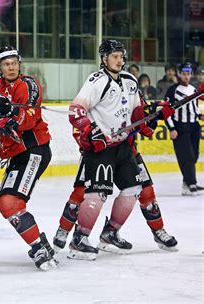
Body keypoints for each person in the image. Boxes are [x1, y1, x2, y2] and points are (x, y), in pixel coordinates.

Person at [65, 39, 175, 260]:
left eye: (121, 56)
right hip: (101, 147)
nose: (119, 60)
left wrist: (153, 112)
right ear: (104, 58)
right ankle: (80, 238)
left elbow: (136, 113)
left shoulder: (130, 80)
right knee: (98, 194)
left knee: (133, 189)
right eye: (114, 56)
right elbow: (75, 110)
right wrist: (90, 129)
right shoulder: (96, 81)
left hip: (123, 146)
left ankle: (110, 233)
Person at [52, 95, 178, 254]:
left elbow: (145, 129)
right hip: (97, 153)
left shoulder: (132, 90)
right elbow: (79, 127)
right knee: (81, 193)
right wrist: (91, 141)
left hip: (127, 152)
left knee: (145, 191)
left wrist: (155, 116)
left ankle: (117, 231)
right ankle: (63, 230)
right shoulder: (98, 90)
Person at [0, 46, 58, 271]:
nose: (11, 67)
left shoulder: (29, 84)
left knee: (10, 203)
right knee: (5, 203)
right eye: (6, 64)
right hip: (16, 154)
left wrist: (8, 111)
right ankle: (40, 244)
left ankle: (39, 247)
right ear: (0, 67)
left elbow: (28, 120)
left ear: (19, 64)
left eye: (14, 62)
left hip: (34, 150)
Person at [165, 62, 204, 196]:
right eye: (184, 73)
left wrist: (200, 115)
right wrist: (171, 128)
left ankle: (186, 183)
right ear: (179, 74)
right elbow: (166, 112)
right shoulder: (173, 90)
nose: (186, 76)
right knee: (187, 156)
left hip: (194, 126)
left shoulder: (194, 89)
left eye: (188, 73)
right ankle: (192, 183)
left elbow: (195, 106)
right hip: (180, 127)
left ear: (191, 74)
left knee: (194, 156)